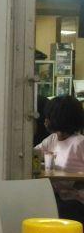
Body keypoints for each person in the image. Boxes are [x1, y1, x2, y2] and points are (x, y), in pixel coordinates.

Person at [34, 95, 84, 223]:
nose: (45, 121)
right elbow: (33, 154)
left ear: (60, 118)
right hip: (56, 196)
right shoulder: (52, 139)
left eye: (49, 117)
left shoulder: (79, 143)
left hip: (76, 201)